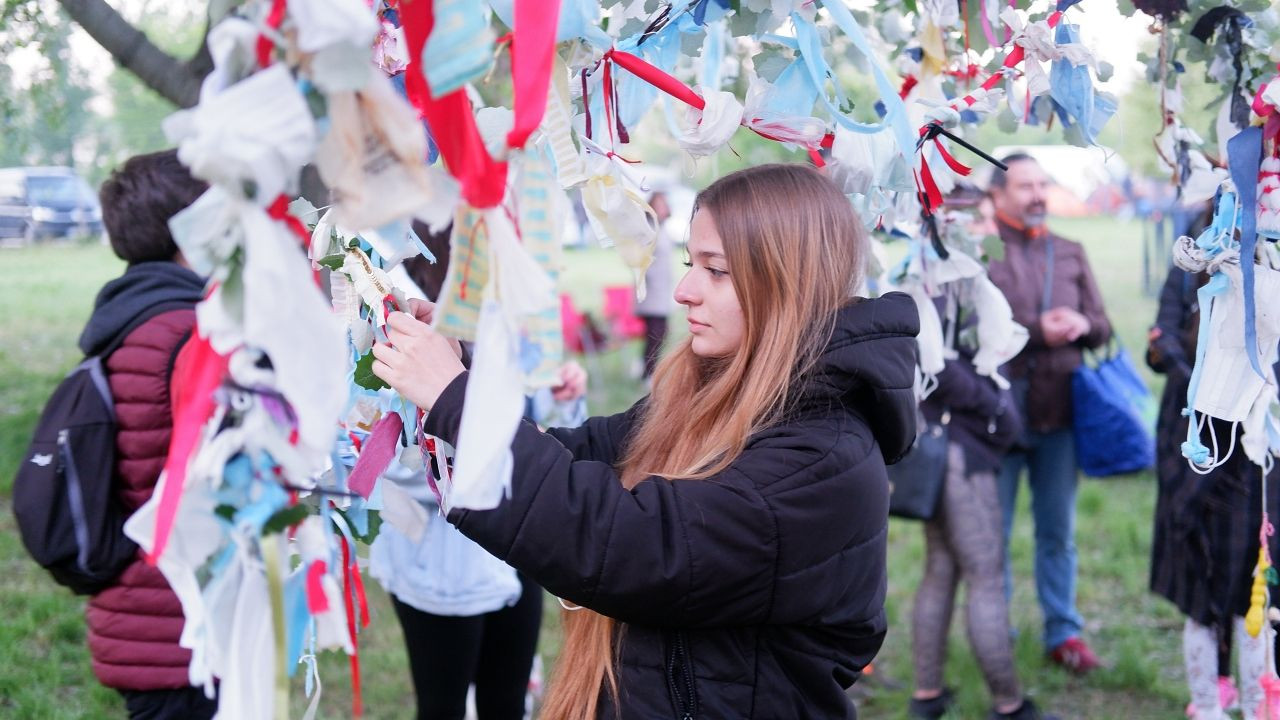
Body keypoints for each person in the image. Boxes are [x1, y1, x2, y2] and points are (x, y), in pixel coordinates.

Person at [370, 163, 919, 718]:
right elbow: (581, 452)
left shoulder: (822, 458)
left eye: (716, 271)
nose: (683, 291)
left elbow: (632, 543)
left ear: (787, 280)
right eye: (689, 264)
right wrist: (462, 371)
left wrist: (457, 401)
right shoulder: (717, 396)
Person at [370, 227, 588, 720]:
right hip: (446, 566)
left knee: (506, 699)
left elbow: (543, 430)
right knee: (443, 705)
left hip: (520, 546)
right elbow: (387, 459)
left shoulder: (510, 320)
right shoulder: (402, 326)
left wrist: (565, 399)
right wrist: (467, 443)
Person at [907, 194, 1053, 720]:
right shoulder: (945, 280)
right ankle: (1009, 705)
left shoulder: (931, 269)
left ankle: (927, 696)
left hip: (937, 445)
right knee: (985, 576)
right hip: (961, 452)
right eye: (983, 218)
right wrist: (997, 407)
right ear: (956, 222)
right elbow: (938, 366)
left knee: (942, 568)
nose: (992, 226)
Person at [80, 150, 213, 718]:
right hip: (173, 625)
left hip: (143, 614)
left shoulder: (133, 313)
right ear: (189, 232)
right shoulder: (184, 331)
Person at [986, 153, 1112, 674]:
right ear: (997, 195)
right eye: (1025, 186)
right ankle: (995, 634)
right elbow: (973, 330)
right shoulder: (980, 251)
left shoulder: (1071, 250)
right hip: (998, 416)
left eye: (1042, 184)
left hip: (1060, 414)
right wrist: (1040, 330)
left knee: (1058, 533)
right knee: (991, 536)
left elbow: (1103, 326)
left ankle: (1063, 632)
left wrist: (1083, 324)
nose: (1038, 194)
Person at [1147, 263, 1280, 720]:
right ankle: (1207, 704)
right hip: (1195, 451)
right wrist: (1204, 385)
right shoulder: (1195, 264)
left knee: (1255, 589)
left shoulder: (1271, 265)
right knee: (1200, 596)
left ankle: (1259, 704)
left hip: (1256, 460)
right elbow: (1161, 339)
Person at [634, 190, 675, 381]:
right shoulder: (648, 231)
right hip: (652, 293)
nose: (662, 208)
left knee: (658, 333)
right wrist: (649, 279)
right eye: (659, 205)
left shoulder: (663, 229)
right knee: (656, 333)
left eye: (664, 205)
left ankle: (645, 369)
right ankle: (648, 372)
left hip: (663, 292)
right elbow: (640, 260)